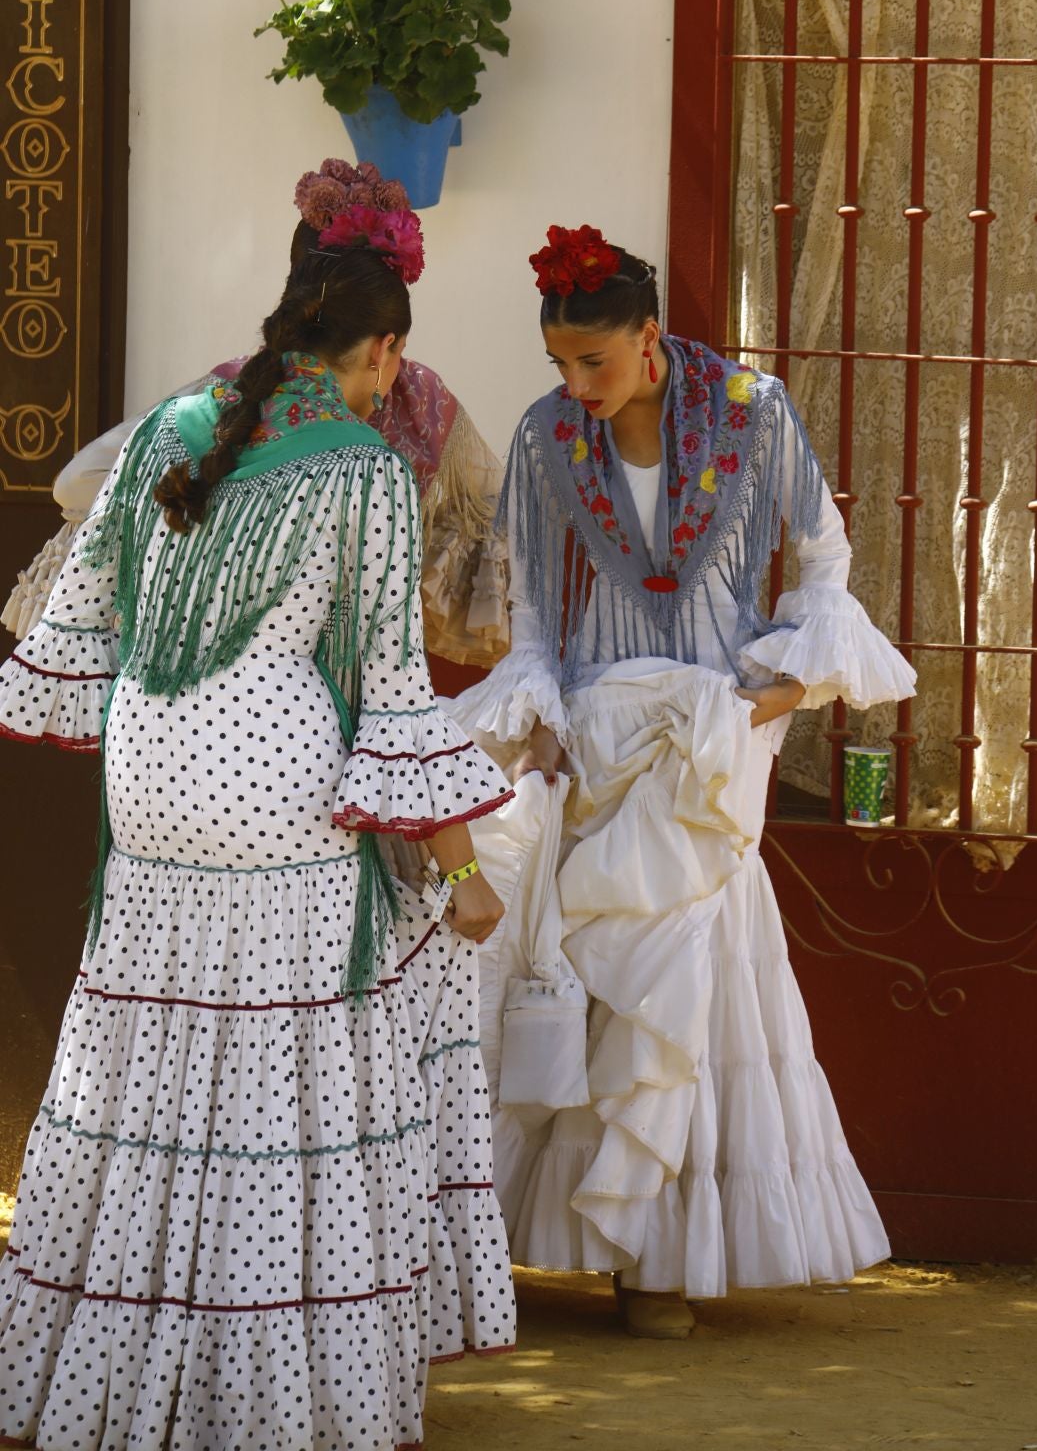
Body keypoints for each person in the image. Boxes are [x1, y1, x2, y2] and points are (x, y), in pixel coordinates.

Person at [0, 201, 516, 1449]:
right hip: (278, 783)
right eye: (391, 363)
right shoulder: (364, 468)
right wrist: (460, 866)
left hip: (149, 777)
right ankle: (275, 1394)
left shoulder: (165, 428)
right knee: (290, 1075)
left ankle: (102, 1378)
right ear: (381, 352)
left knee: (145, 1060)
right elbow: (391, 686)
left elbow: (77, 614)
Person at [456, 223, 917, 1341]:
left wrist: (777, 694)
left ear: (650, 338)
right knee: (596, 973)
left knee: (685, 982)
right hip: (599, 735)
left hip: (713, 737)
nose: (576, 386)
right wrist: (541, 720)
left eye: (594, 362)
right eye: (560, 363)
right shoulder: (545, 437)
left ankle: (655, 1264)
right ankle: (582, 1246)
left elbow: (824, 556)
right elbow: (528, 605)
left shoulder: (755, 413)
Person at [3, 159, 509, 673]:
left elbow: (77, 482)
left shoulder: (244, 392)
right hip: (310, 685)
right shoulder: (409, 401)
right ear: (385, 335)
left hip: (214, 684)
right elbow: (503, 519)